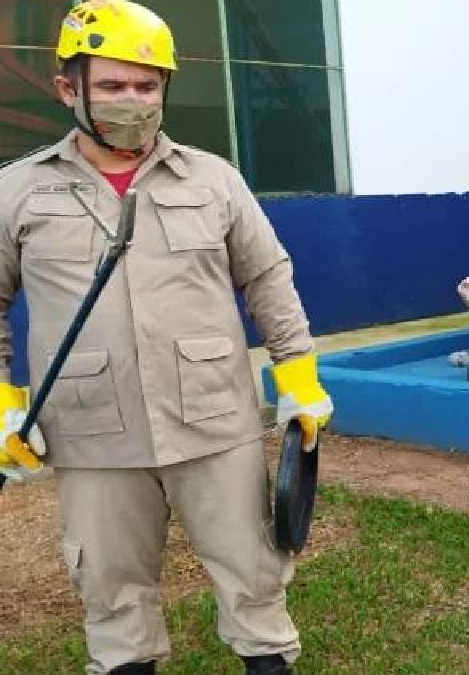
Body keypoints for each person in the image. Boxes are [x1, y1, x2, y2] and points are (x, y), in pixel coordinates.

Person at [0, 2, 333, 674]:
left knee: (255, 577)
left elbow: (268, 277)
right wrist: (4, 400)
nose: (135, 101)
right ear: (70, 89)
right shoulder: (18, 192)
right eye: (115, 86)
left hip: (215, 420)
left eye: (148, 86)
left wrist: (299, 381)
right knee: (113, 593)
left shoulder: (214, 180)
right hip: (93, 435)